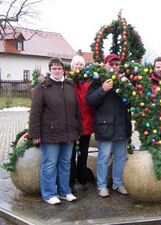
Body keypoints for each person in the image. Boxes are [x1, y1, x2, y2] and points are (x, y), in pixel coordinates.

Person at [29, 58, 81, 205]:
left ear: (64, 70)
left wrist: (78, 130)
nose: (57, 71)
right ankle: (49, 193)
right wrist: (35, 134)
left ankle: (64, 191)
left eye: (59, 68)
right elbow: (35, 112)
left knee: (65, 163)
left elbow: (76, 111)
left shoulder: (70, 86)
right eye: (54, 68)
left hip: (69, 133)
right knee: (50, 164)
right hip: (50, 133)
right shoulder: (43, 87)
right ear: (50, 70)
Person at [86, 53, 131, 197]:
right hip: (105, 126)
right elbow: (90, 101)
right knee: (104, 157)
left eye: (117, 64)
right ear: (105, 65)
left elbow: (130, 102)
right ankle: (102, 185)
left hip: (121, 126)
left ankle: (117, 183)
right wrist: (102, 90)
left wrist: (127, 89)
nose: (114, 67)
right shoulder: (98, 80)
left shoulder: (124, 81)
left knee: (120, 157)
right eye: (111, 64)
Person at [69, 55, 94, 192]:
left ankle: (82, 176)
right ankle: (71, 180)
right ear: (72, 66)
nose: (78, 66)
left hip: (86, 124)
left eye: (80, 64)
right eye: (76, 64)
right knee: (71, 154)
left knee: (83, 153)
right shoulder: (68, 82)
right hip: (72, 126)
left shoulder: (88, 83)